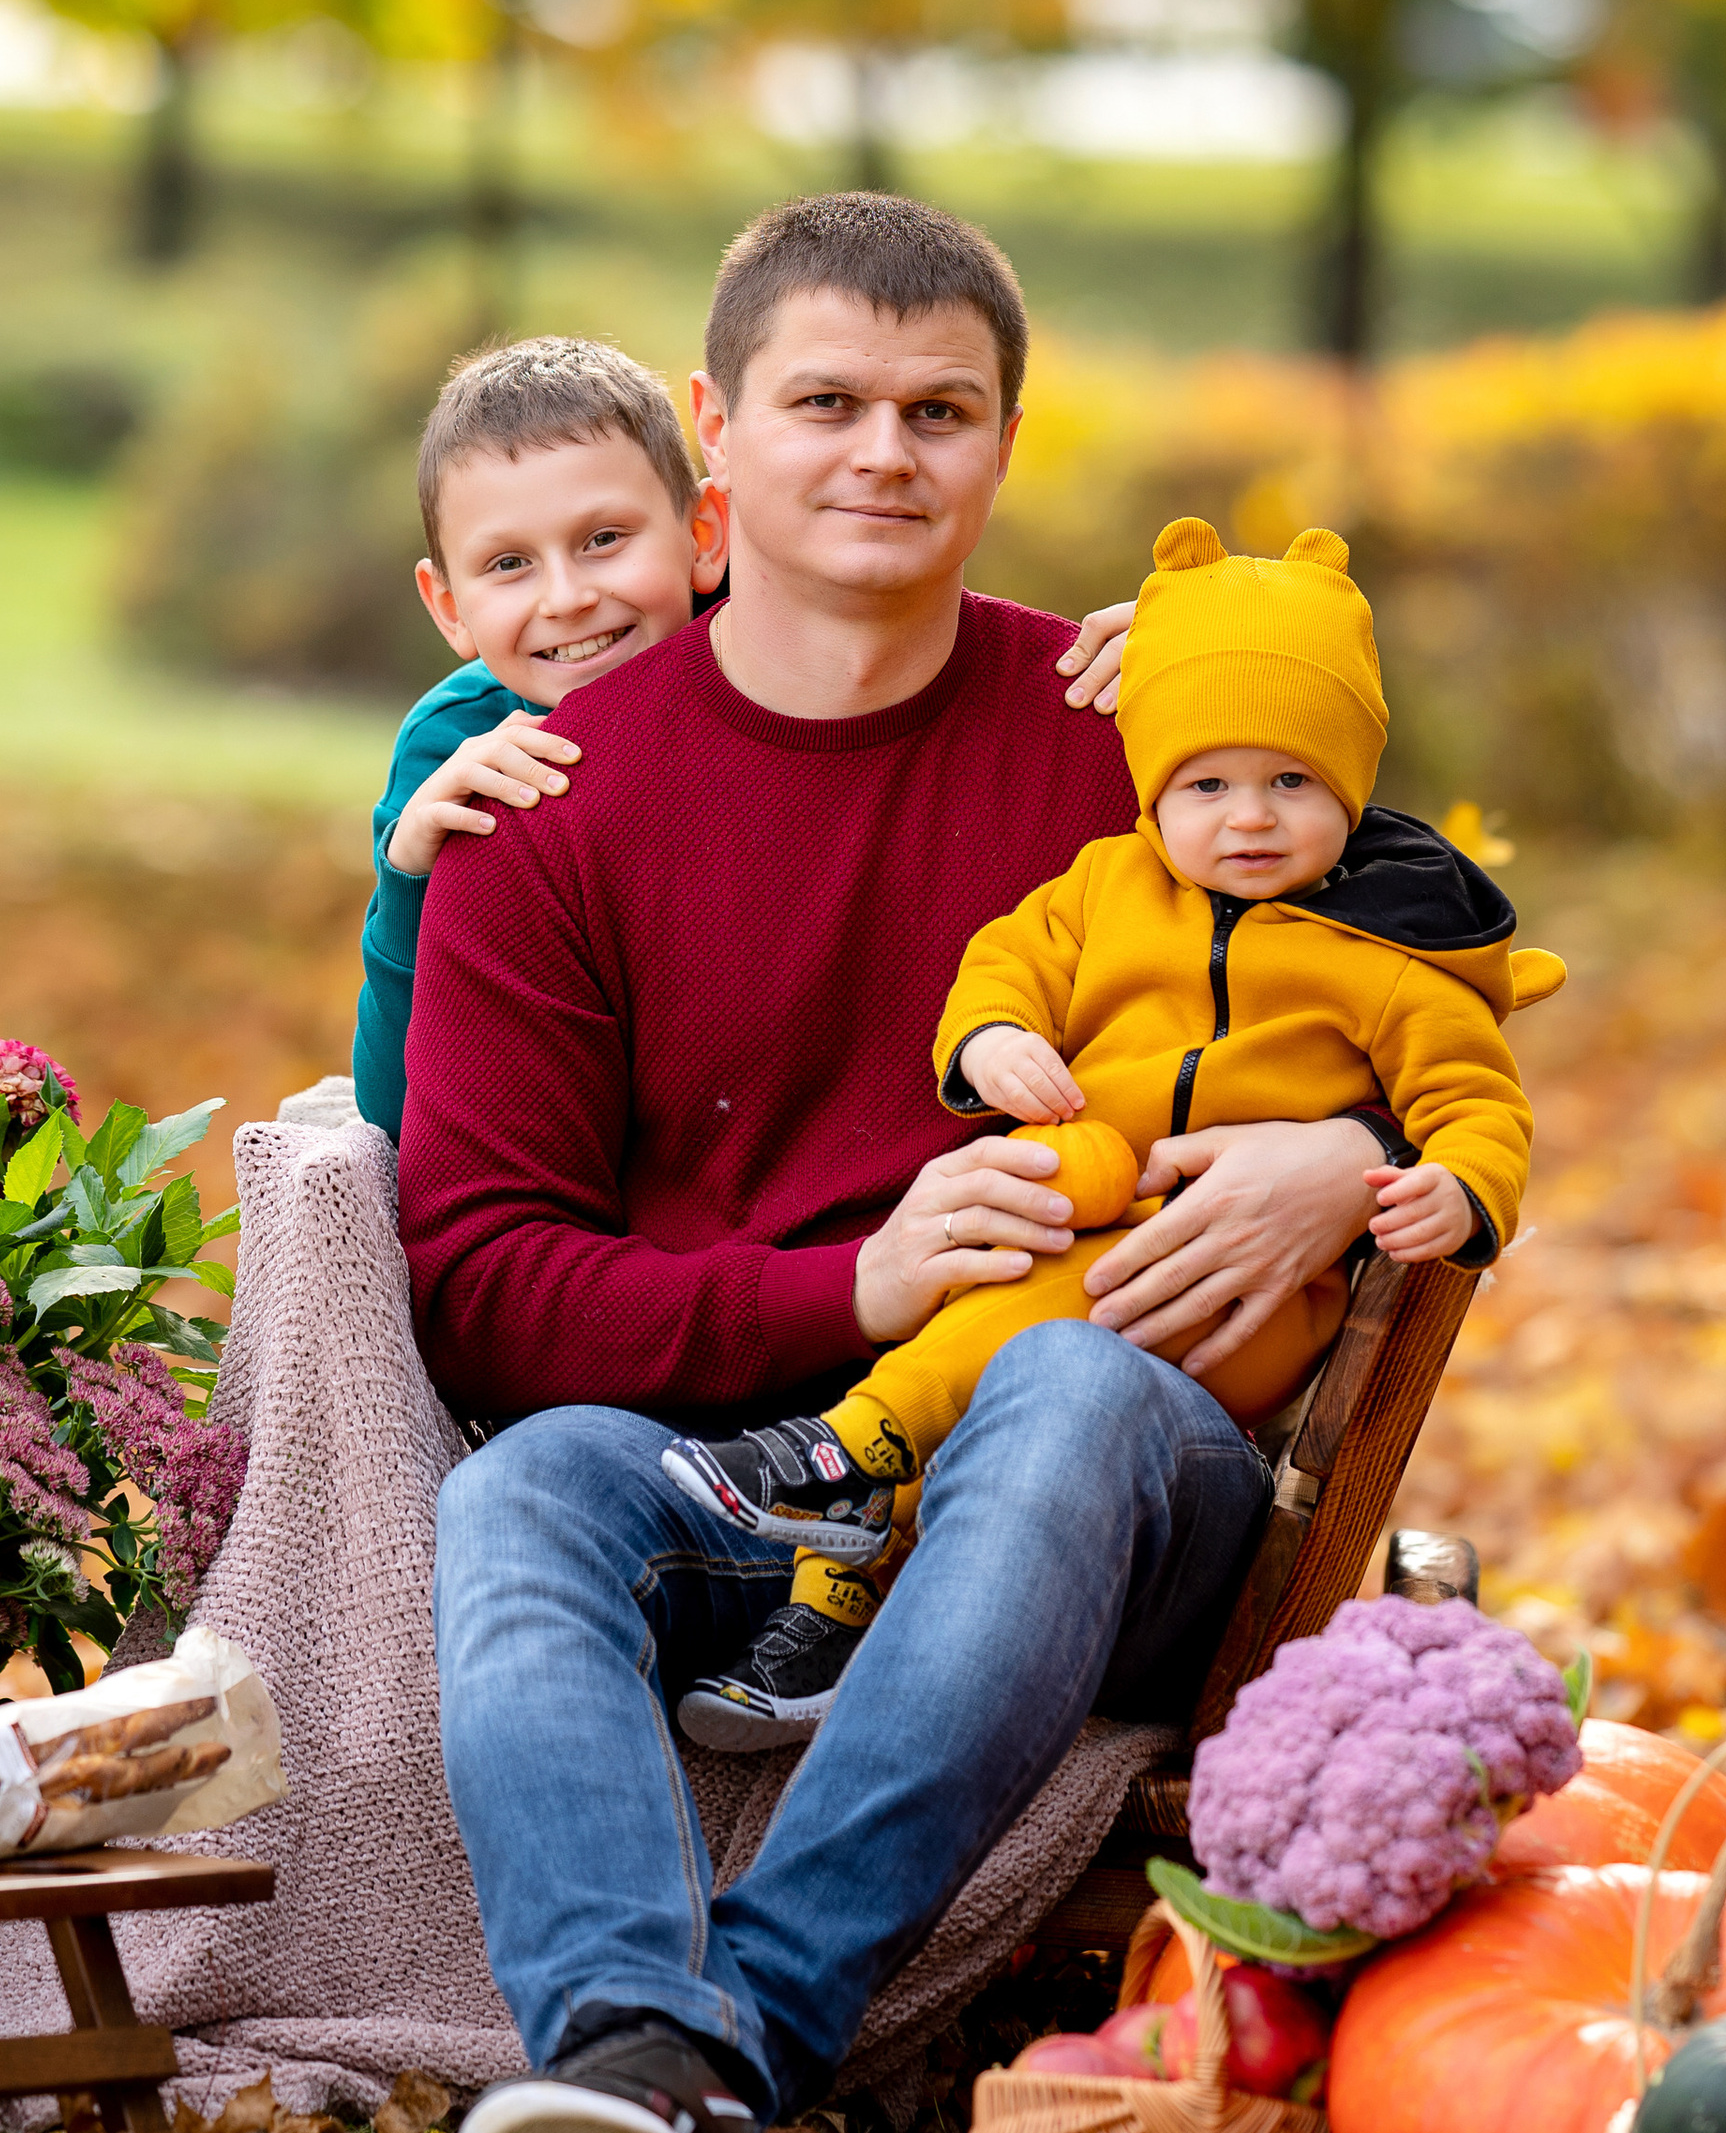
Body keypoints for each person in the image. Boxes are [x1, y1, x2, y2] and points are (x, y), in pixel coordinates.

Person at [396, 192, 1405, 2133]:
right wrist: (839, 1287)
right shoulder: (549, 801)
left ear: (1002, 448)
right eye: (825, 401)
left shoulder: (1132, 749)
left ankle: (724, 2051)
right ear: (713, 434)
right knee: (527, 1500)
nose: (881, 453)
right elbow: (483, 1287)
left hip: (1111, 1478)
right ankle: (623, 2045)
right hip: (750, 1470)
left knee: (1060, 1388)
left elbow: (1433, 986)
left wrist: (1341, 1155)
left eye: (937, 410)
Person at [668, 516, 1563, 1746]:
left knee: (1030, 1304)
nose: (1247, 818)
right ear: (1155, 786)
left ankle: (845, 1442)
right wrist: (988, 1044)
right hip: (1087, 1210)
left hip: (1239, 1294)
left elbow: (1478, 1100)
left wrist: (1459, 1188)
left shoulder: (1386, 964)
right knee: (1010, 1225)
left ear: (1349, 788)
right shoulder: (1105, 888)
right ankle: (824, 1617)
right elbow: (1004, 964)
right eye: (1206, 784)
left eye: (1290, 782)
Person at [348, 337, 728, 1139]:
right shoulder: (452, 748)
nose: (567, 597)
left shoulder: (769, 657)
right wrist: (412, 871)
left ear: (702, 533)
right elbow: (395, 1111)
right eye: (511, 563)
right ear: (449, 606)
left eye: (603, 540)